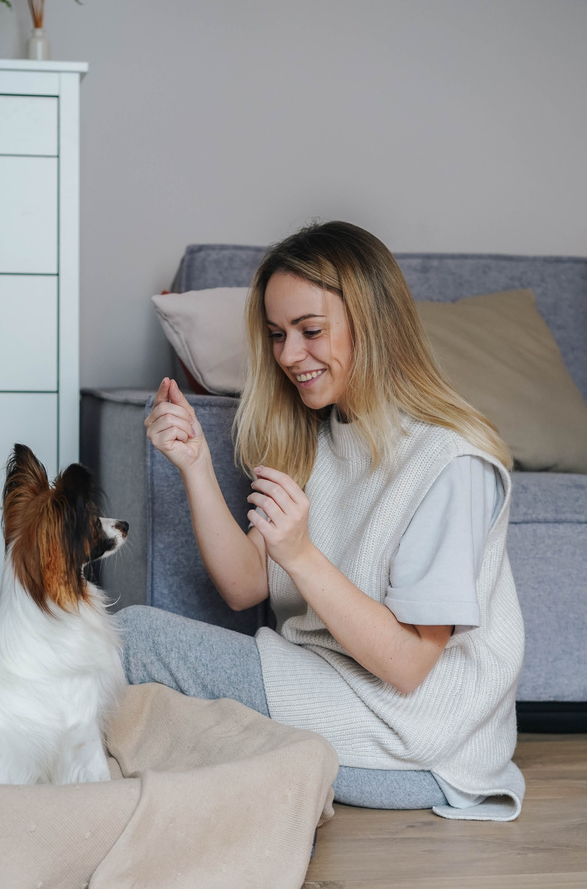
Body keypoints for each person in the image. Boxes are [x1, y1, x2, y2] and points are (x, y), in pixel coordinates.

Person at [119, 221, 525, 820]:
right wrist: (195, 464)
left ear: (374, 325)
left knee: (132, 641)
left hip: (412, 742)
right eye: (278, 334)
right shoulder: (318, 434)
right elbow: (244, 586)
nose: (288, 356)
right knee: (137, 698)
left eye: (310, 332)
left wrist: (303, 555)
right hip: (322, 686)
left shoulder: (451, 463)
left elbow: (409, 667)